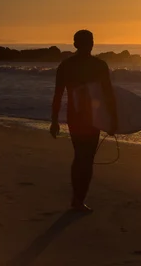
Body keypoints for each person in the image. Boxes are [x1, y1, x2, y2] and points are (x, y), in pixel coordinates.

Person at [50, 30, 118, 212]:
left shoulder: (66, 66)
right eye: (90, 41)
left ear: (74, 44)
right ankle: (79, 200)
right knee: (86, 158)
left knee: (81, 155)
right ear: (91, 44)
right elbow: (108, 95)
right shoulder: (99, 65)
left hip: (75, 117)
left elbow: (57, 96)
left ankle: (77, 198)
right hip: (92, 118)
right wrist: (113, 119)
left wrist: (54, 120)